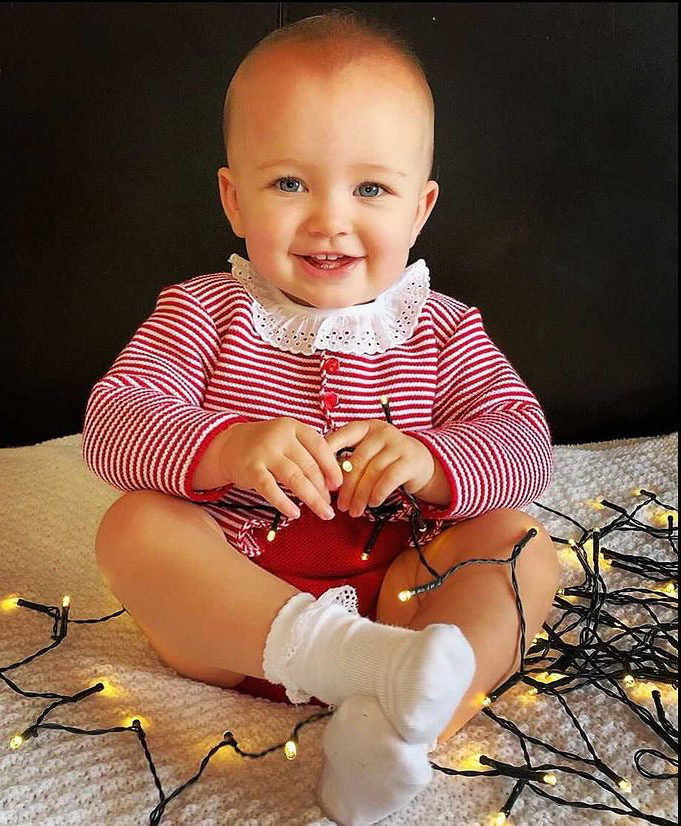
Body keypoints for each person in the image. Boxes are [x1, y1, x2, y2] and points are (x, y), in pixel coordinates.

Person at [83, 9, 560, 825]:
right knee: (132, 527)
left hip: (406, 586)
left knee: (525, 550)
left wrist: (432, 460)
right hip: (234, 603)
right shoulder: (205, 312)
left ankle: (393, 734)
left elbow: (524, 439)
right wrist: (225, 447)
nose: (330, 219)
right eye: (290, 183)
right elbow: (114, 418)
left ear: (421, 208)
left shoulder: (444, 328)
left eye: (371, 188)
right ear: (235, 198)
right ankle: (362, 668)